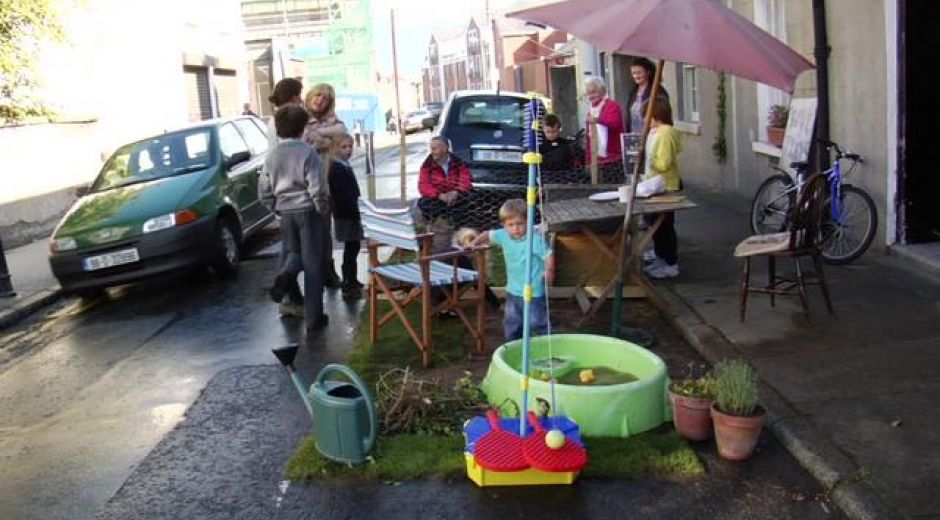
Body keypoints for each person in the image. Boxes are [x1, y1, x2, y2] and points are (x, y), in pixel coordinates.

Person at [258, 105, 330, 333]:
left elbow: (264, 190)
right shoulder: (307, 152)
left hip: (285, 212)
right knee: (313, 263)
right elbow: (317, 187)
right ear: (302, 128)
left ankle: (286, 274)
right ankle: (314, 319)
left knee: (293, 253)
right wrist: (322, 208)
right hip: (308, 211)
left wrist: (276, 208)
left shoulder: (272, 156)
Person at [469, 199, 555, 341]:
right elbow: (487, 234)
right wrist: (474, 243)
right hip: (513, 290)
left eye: (520, 224)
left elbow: (548, 254)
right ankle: (514, 346)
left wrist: (549, 270)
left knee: (536, 321)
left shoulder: (534, 239)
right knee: (513, 322)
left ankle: (549, 345)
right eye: (511, 225)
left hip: (533, 290)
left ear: (528, 222)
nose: (515, 229)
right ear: (504, 225)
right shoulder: (503, 235)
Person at [266, 77, 306, 316]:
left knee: (291, 247)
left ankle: (292, 294)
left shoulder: (275, 121)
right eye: (299, 95)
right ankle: (290, 291)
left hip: (282, 198)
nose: (301, 99)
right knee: (303, 250)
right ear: (292, 96)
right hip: (299, 197)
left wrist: (273, 204)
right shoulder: (288, 121)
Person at [303, 83, 348, 289]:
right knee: (309, 231)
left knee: (324, 228)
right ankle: (314, 274)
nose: (321, 100)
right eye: (319, 95)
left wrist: (320, 134)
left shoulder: (331, 118)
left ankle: (328, 270)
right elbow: (305, 141)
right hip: (305, 182)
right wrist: (325, 139)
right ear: (311, 94)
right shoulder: (300, 116)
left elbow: (341, 131)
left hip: (326, 180)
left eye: (326, 98)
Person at [641, 100, 682, 280]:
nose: (644, 120)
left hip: (666, 186)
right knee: (655, 225)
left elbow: (664, 163)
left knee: (663, 226)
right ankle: (661, 258)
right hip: (656, 184)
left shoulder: (665, 134)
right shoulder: (657, 132)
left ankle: (670, 262)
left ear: (655, 115)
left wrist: (650, 161)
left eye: (646, 116)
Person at [325, 132, 364, 299]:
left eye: (350, 147)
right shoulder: (337, 168)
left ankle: (352, 279)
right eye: (344, 147)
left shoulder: (344, 165)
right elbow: (343, 195)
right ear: (335, 149)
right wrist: (355, 210)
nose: (348, 150)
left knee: (354, 247)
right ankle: (348, 282)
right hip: (346, 214)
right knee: (350, 248)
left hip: (351, 212)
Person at [417, 136, 473, 227]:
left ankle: (459, 228)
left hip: (455, 195)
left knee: (468, 201)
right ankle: (433, 226)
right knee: (424, 203)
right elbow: (423, 185)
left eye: (434, 149)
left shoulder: (458, 163)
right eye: (431, 149)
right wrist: (439, 195)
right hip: (437, 197)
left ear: (444, 149)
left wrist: (456, 192)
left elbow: (465, 179)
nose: (432, 152)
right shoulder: (427, 165)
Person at [583, 76, 624, 167]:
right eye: (588, 93)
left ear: (602, 90)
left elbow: (615, 124)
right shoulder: (591, 110)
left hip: (612, 158)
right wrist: (588, 161)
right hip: (595, 160)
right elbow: (589, 138)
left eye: (593, 92)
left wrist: (598, 120)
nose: (591, 96)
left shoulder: (611, 105)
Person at [626, 57, 670, 134]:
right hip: (635, 136)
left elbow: (663, 115)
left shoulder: (658, 91)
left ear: (648, 72)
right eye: (633, 73)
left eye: (639, 73)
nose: (636, 76)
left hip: (652, 134)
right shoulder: (633, 92)